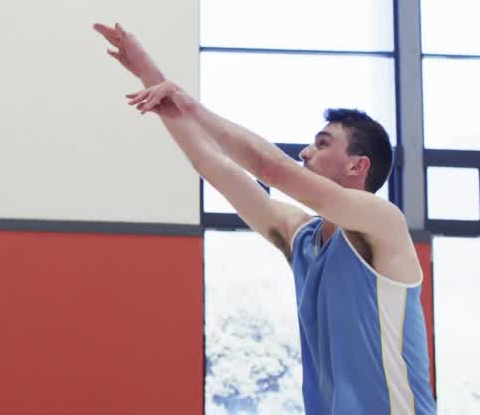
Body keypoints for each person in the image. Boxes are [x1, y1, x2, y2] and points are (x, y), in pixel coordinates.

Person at [94, 22, 436, 415]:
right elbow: (211, 163)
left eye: (322, 144)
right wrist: (151, 77)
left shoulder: (382, 222)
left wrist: (192, 106)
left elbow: (270, 168)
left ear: (358, 166)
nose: (305, 152)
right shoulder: (302, 238)